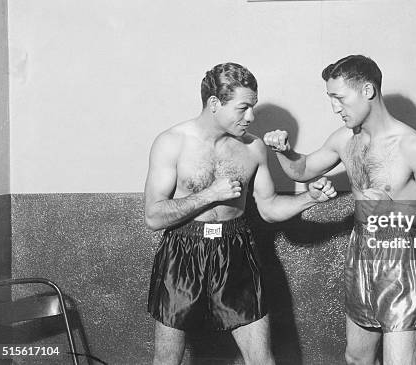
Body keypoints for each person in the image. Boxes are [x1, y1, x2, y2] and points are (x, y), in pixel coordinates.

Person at [263, 55, 416, 365]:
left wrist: (393, 211)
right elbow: (303, 170)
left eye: (339, 98)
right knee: (356, 358)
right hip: (361, 248)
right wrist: (283, 153)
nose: (335, 108)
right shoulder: (344, 140)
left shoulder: (413, 146)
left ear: (367, 90)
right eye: (331, 99)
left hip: (401, 254)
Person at [144, 62, 337, 365]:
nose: (251, 117)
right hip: (182, 251)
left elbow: (270, 208)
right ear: (214, 104)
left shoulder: (253, 149)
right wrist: (210, 194)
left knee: (262, 360)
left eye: (253, 107)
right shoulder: (172, 143)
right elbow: (153, 217)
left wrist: (309, 199)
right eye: (243, 107)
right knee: (166, 361)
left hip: (235, 248)